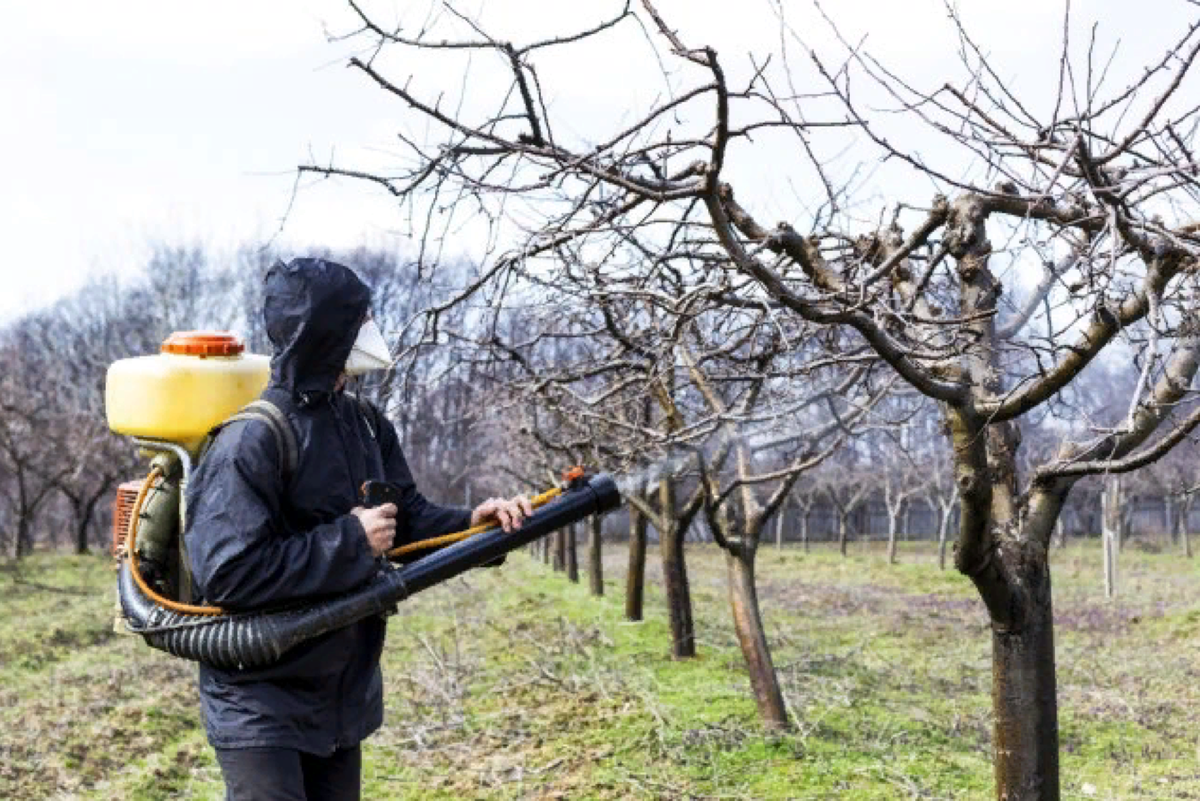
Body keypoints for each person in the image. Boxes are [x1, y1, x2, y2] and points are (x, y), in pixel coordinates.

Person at [185, 257, 530, 800]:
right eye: (359, 320)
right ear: (325, 331)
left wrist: (472, 525)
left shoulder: (366, 424)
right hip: (259, 702)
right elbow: (228, 573)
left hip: (340, 696)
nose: (371, 331)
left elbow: (406, 522)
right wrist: (350, 541)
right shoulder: (251, 440)